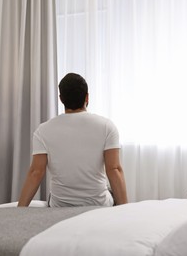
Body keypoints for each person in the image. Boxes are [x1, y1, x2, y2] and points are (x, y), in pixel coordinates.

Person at [18, 73, 128, 207]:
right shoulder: (107, 126)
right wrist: (124, 210)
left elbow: (36, 172)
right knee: (110, 193)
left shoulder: (43, 131)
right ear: (87, 97)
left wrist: (20, 210)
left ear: (61, 99)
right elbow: (114, 169)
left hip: (60, 205)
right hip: (98, 203)